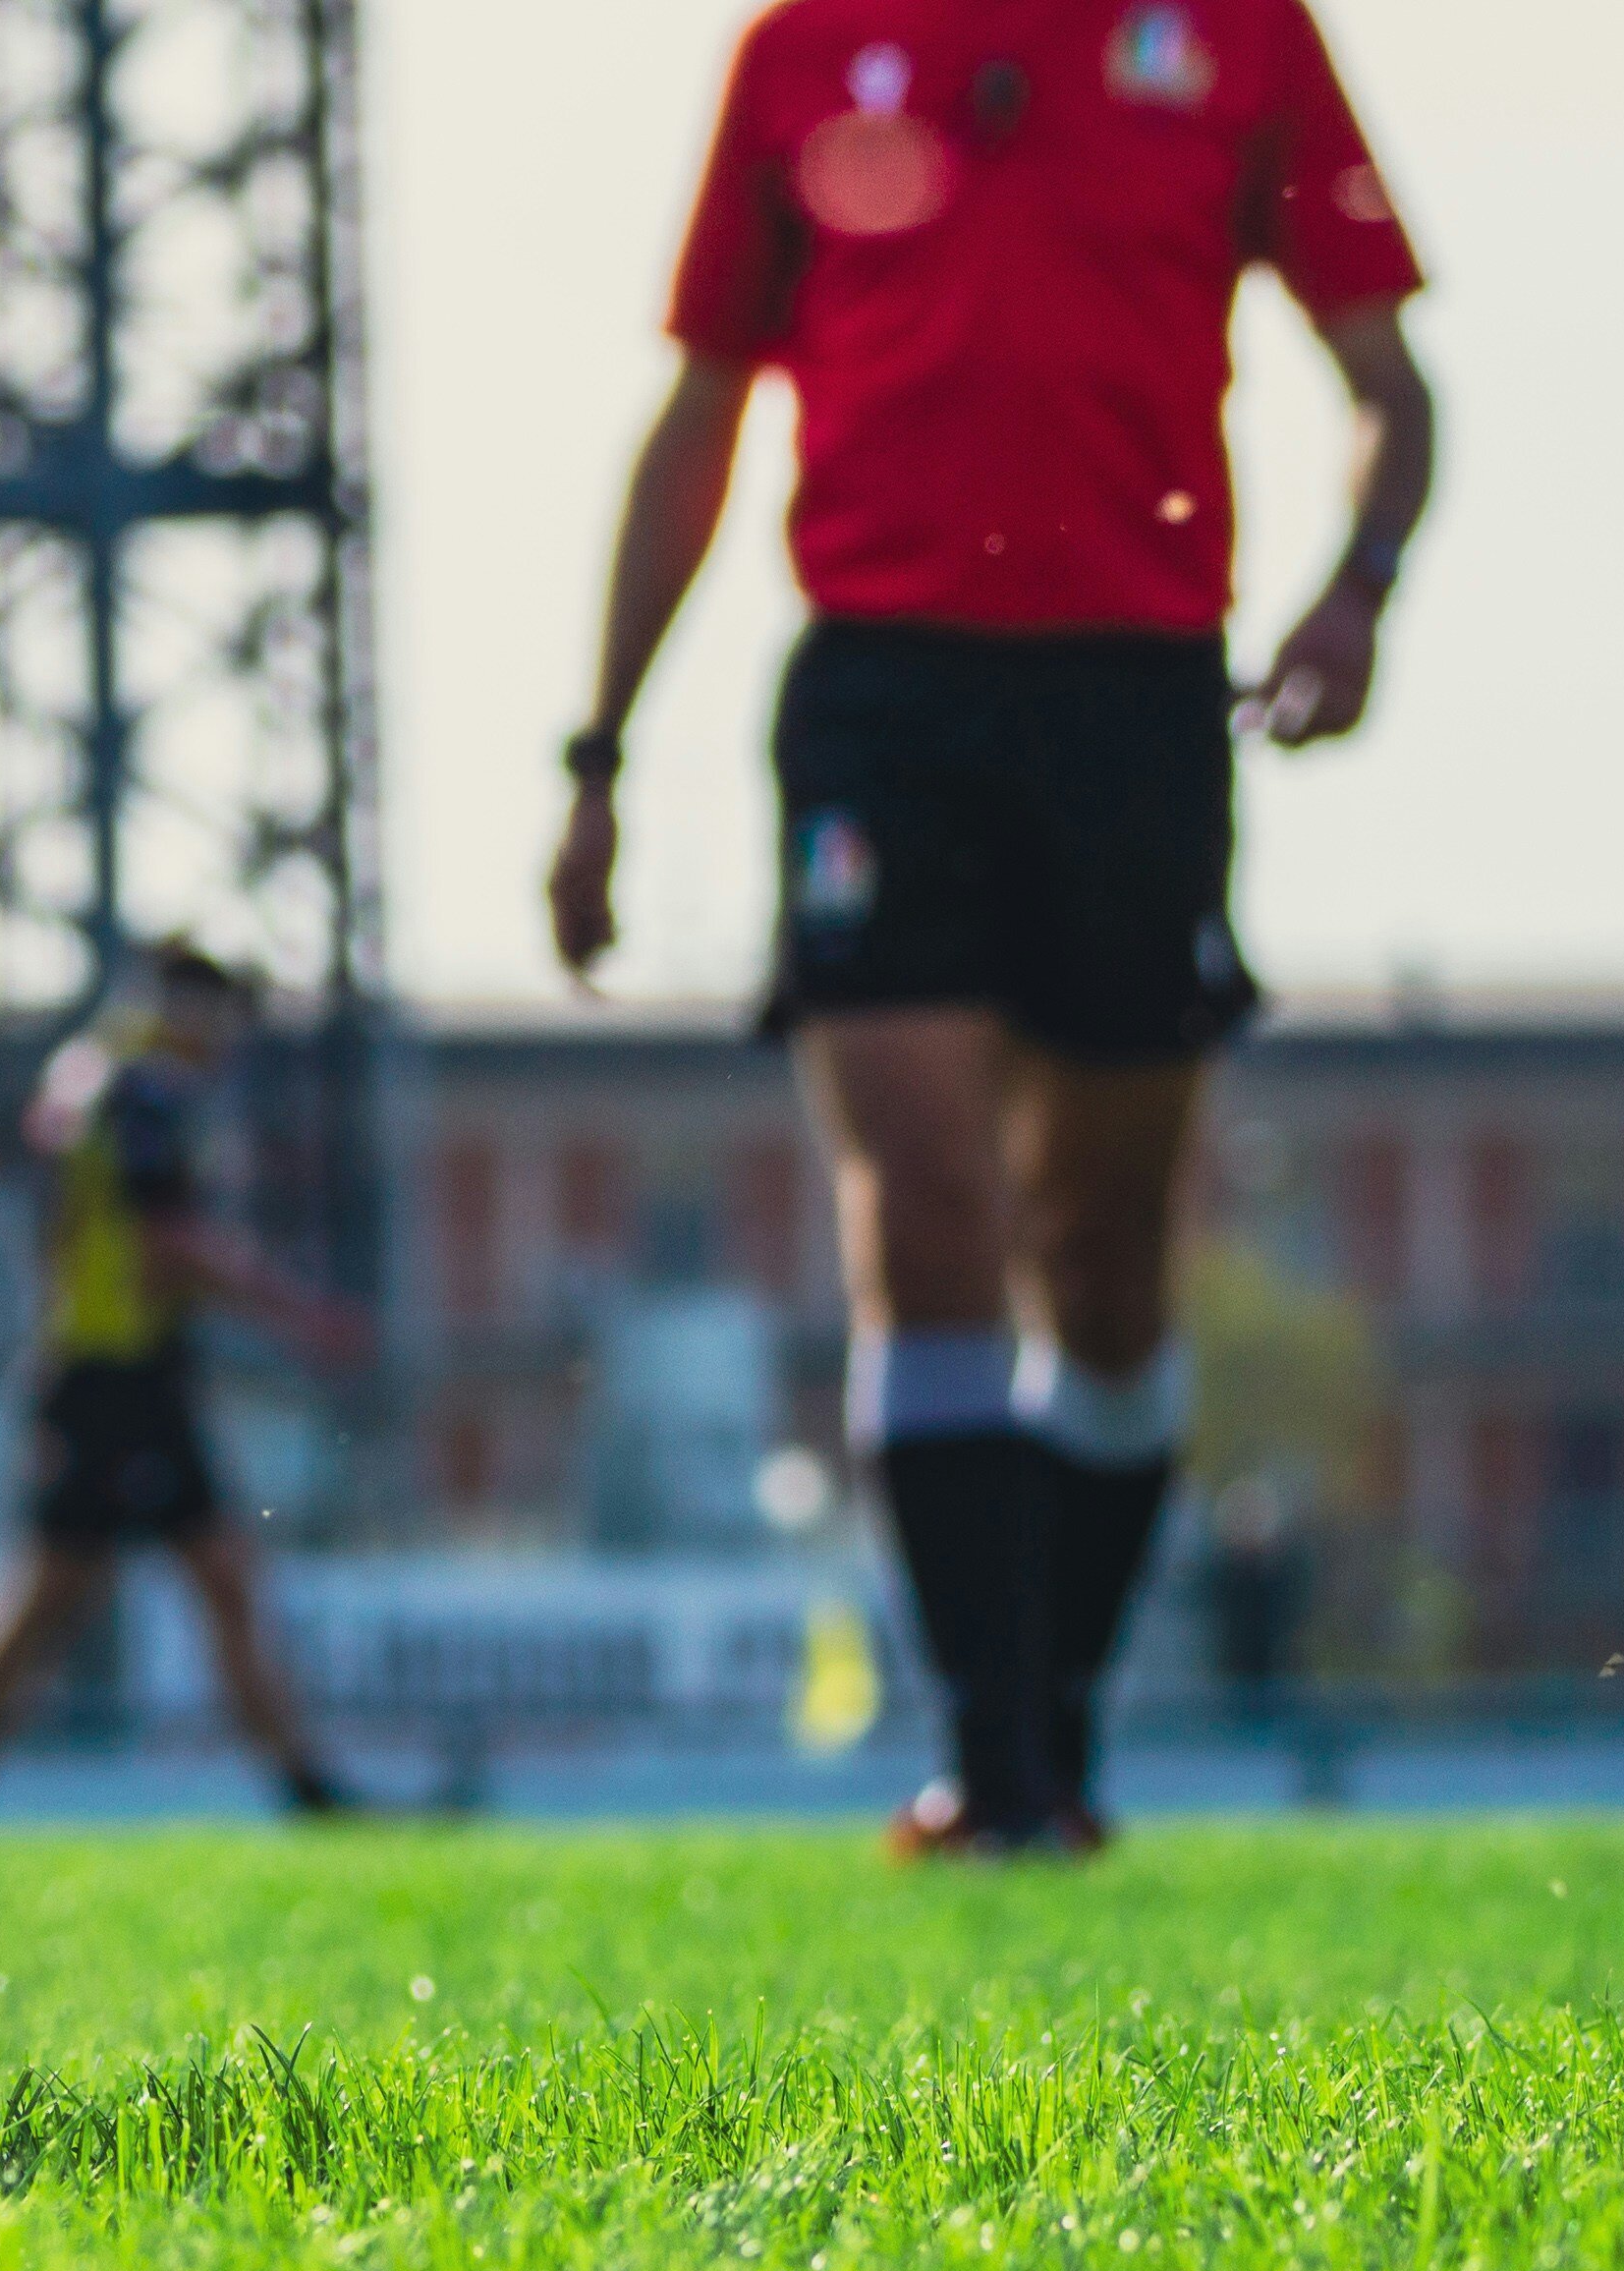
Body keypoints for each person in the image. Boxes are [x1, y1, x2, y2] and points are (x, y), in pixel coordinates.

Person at [546, 0, 1436, 1853]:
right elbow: (697, 416)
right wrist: (599, 753)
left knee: (1104, 1262)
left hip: (1130, 706)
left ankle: (1061, 1721)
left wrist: (1354, 594)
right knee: (927, 1209)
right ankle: (992, 1761)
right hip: (883, 703)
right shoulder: (804, 50)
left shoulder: (1241, 39)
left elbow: (1390, 386)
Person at [0, 939, 368, 1815]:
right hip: (114, 1375)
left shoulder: (89, 1072)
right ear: (191, 1011)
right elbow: (171, 1243)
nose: (229, 1043)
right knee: (56, 1591)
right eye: (225, 1019)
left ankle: (308, 1790)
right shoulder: (148, 1091)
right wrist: (298, 1313)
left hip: (107, 1367)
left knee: (199, 1577)